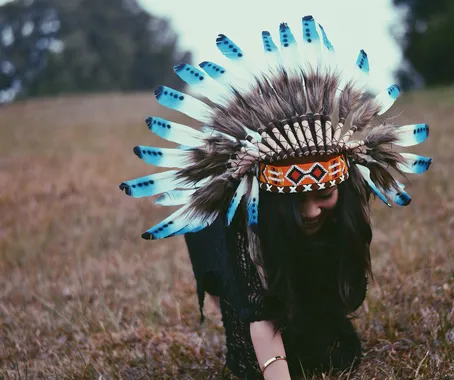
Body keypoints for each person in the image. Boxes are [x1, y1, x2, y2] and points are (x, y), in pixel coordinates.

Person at [119, 15, 432, 379]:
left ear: (342, 188)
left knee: (333, 351)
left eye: (325, 193)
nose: (311, 210)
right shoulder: (242, 219)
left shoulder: (347, 209)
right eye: (295, 200)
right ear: (270, 197)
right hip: (239, 236)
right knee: (244, 317)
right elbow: (260, 316)